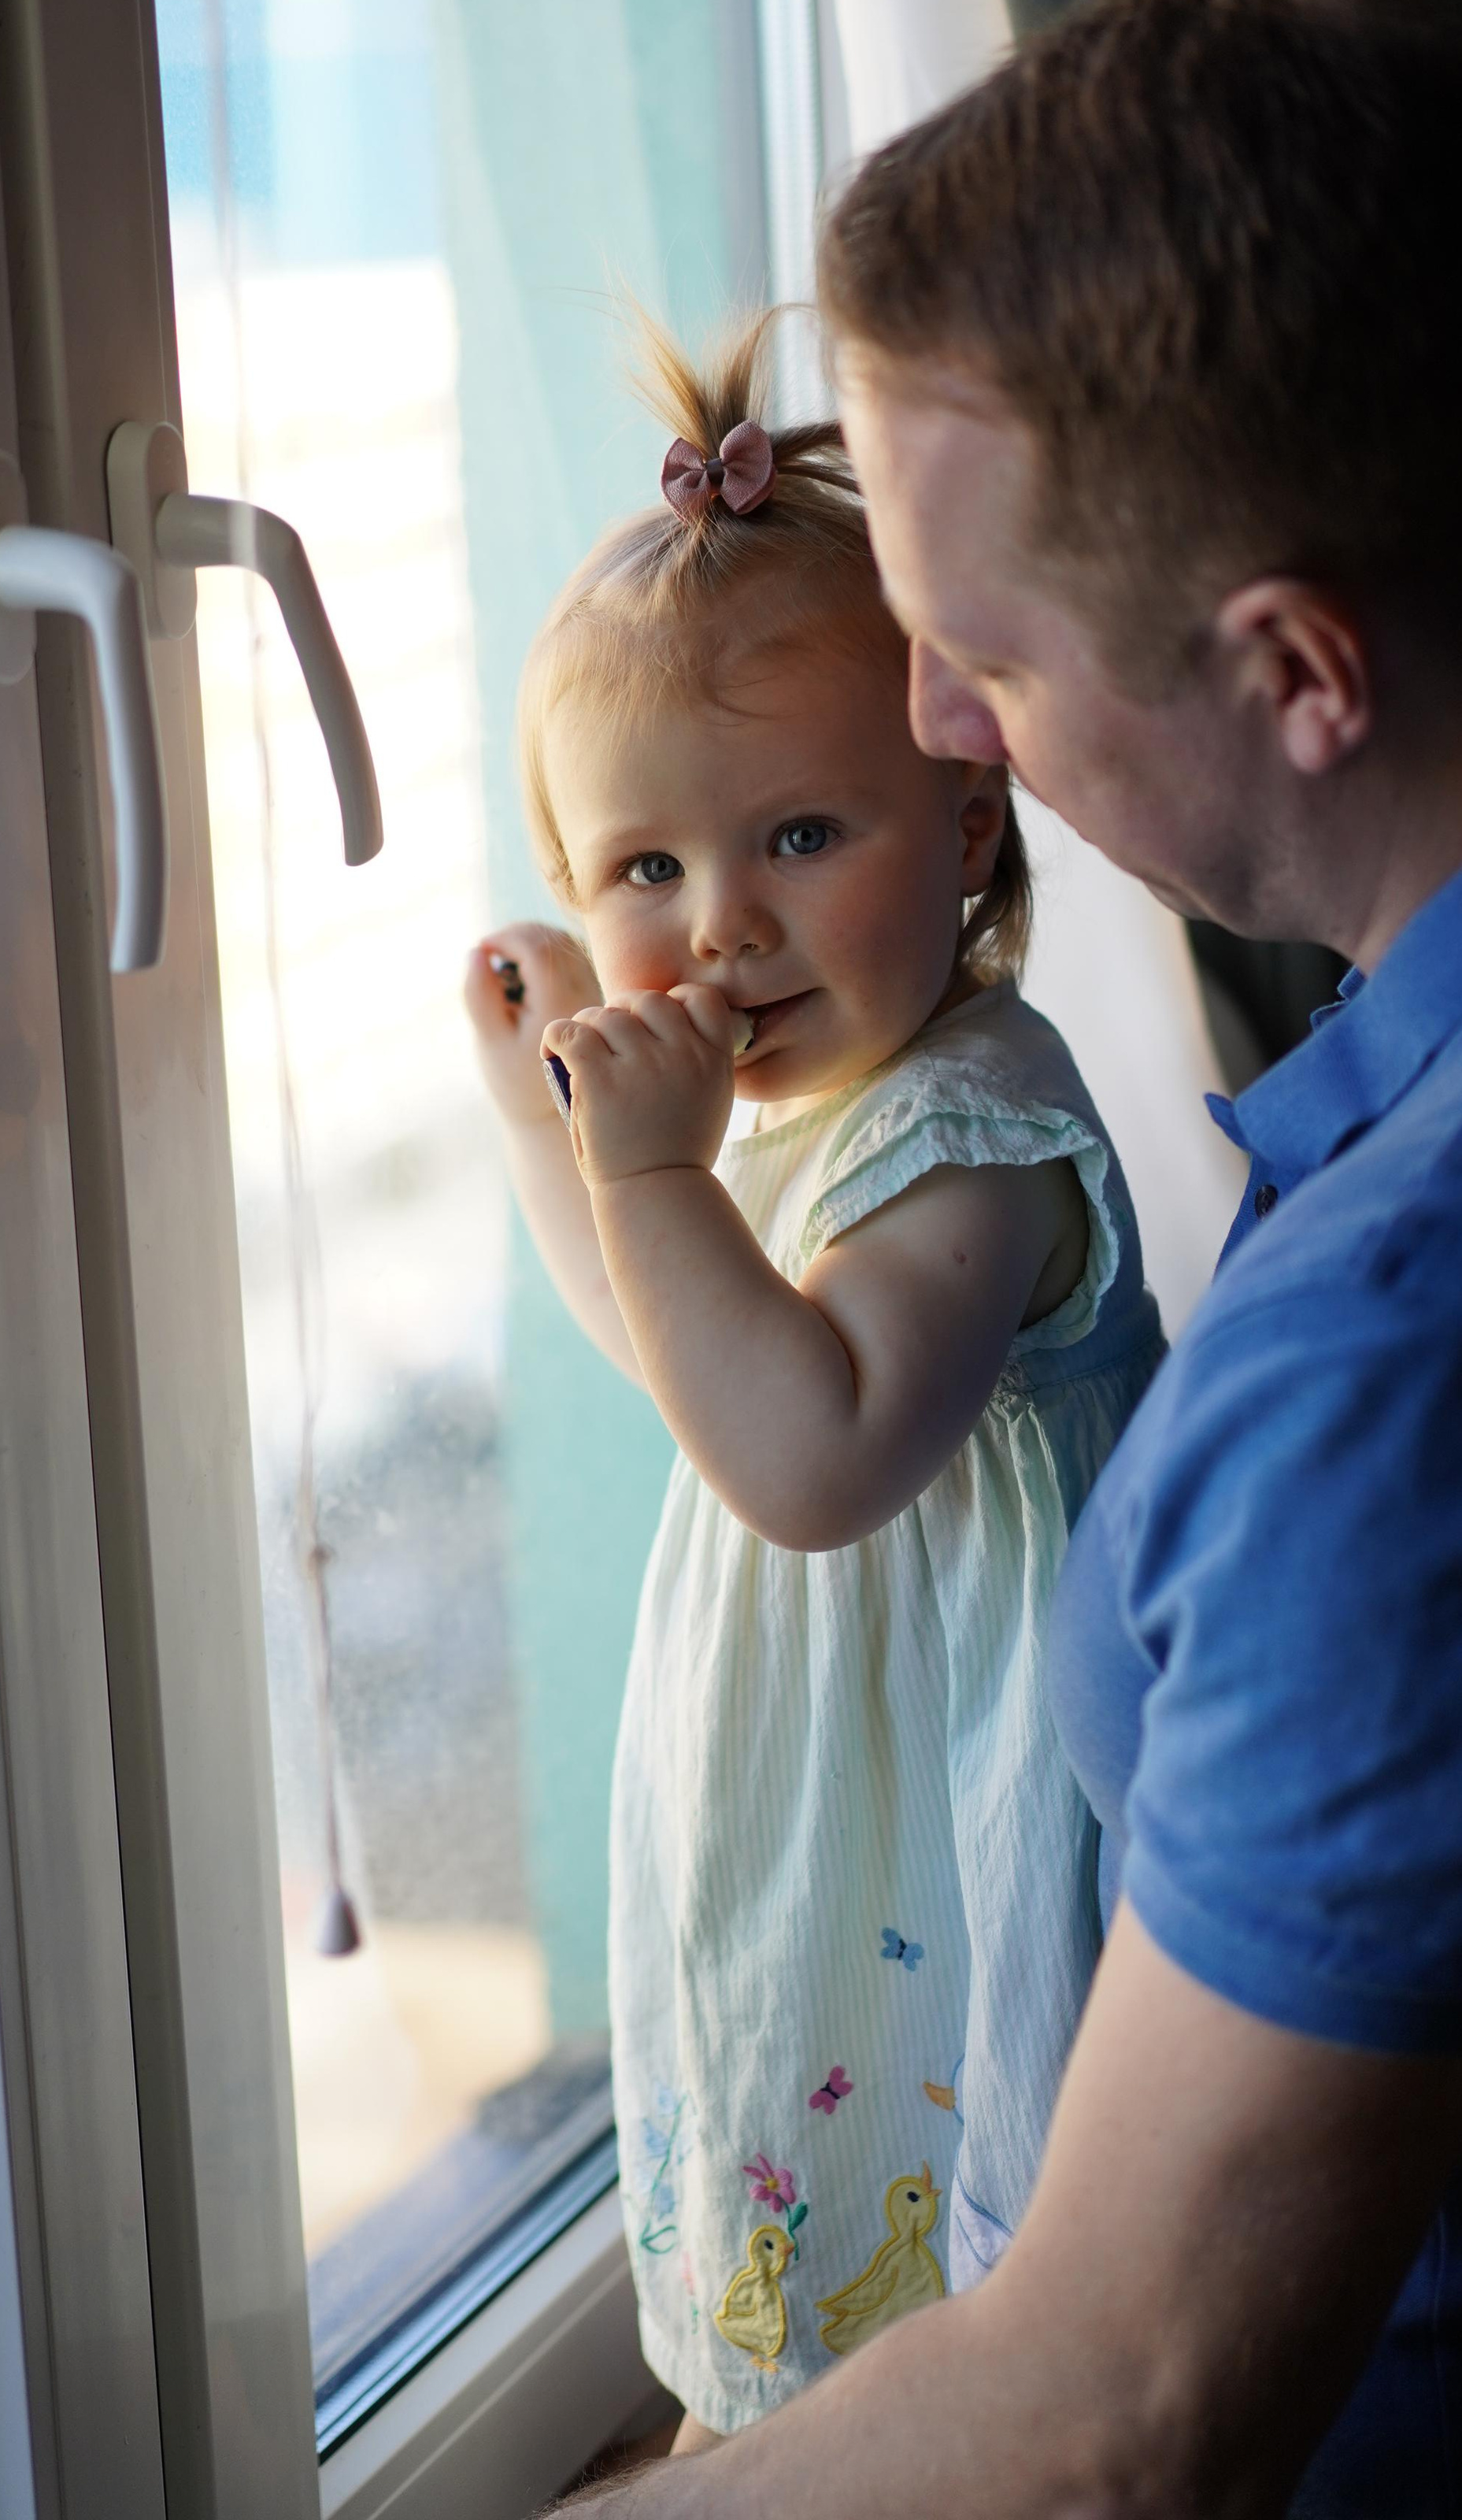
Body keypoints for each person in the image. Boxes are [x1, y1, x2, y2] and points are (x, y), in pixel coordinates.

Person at [560, 0, 1462, 2515]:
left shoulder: (1432, 1340)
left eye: (982, 666)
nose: (942, 736)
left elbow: (1116, 2420)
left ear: (1295, 669)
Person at [463, 322, 1164, 2448]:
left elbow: (809, 1454)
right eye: (646, 874)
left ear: (965, 828)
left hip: (955, 1814)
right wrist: (556, 1142)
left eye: (796, 835)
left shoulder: (973, 1129)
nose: (720, 932)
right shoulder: (793, 1121)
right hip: (819, 1813)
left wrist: (654, 1166)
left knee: (955, 2302)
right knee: (799, 2209)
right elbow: (698, 1376)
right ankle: (783, 2425)